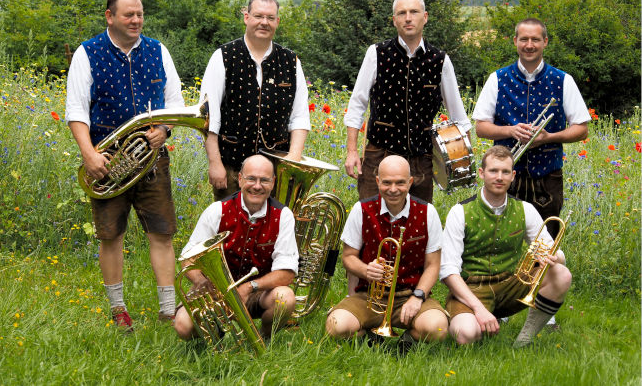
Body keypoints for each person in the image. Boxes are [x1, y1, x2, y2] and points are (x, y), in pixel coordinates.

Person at [65, 0, 185, 329]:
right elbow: (76, 109)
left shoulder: (158, 50)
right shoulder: (87, 53)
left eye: (140, 14)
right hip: (107, 162)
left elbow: (174, 103)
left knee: (162, 234)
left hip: (151, 160)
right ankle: (118, 310)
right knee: (110, 236)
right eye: (129, 15)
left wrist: (164, 130)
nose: (136, 20)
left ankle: (167, 310)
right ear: (110, 17)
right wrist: (88, 154)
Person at [344, 0, 471, 204]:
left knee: (416, 230)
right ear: (394, 20)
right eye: (402, 13)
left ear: (425, 17)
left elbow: (459, 118)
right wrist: (351, 152)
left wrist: (464, 162)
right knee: (371, 222)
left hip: (421, 161)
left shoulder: (440, 60)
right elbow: (357, 105)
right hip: (379, 156)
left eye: (414, 12)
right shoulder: (376, 53)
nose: (408, 18)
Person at [440, 146, 572, 347]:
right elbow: (449, 272)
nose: (499, 177)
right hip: (472, 289)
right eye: (493, 171)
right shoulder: (460, 212)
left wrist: (551, 256)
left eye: (505, 172)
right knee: (465, 334)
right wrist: (479, 309)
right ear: (482, 174)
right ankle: (478, 321)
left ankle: (524, 340)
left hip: (510, 285)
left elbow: (552, 249)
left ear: (513, 176)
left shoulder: (525, 209)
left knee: (561, 273)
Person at [472, 17, 589, 238]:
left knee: (545, 245)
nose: (529, 45)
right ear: (515, 41)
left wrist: (548, 137)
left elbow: (581, 129)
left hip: (547, 178)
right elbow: (481, 128)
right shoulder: (497, 79)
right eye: (524, 39)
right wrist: (510, 130)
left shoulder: (563, 80)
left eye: (535, 39)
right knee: (503, 240)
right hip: (505, 176)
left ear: (545, 42)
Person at [325, 155, 448, 351]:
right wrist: (366, 270)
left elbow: (433, 264)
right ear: (377, 182)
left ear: (410, 182)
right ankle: (368, 335)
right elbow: (348, 257)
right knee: (336, 327)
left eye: (400, 183)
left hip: (410, 294)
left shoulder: (427, 212)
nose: (393, 189)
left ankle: (408, 340)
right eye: (387, 183)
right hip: (369, 296)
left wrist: (418, 297)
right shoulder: (361, 209)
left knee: (438, 329)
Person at [174, 154, 299, 340]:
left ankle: (262, 337)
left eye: (264, 180)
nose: (257, 186)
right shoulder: (217, 210)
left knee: (286, 299)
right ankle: (216, 332)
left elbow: (287, 273)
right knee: (183, 326)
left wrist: (250, 287)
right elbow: (187, 259)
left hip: (257, 293)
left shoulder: (284, 216)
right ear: (240, 179)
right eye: (251, 178)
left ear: (273, 183)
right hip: (216, 292)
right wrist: (202, 282)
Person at [198, 0, 310, 200]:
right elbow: (208, 118)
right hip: (232, 168)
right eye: (258, 16)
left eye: (270, 18)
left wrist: (292, 162)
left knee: (275, 230)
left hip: (276, 172)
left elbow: (300, 116)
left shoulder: (291, 61)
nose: (264, 22)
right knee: (231, 229)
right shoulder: (223, 56)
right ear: (246, 17)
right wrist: (215, 164)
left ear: (277, 21)